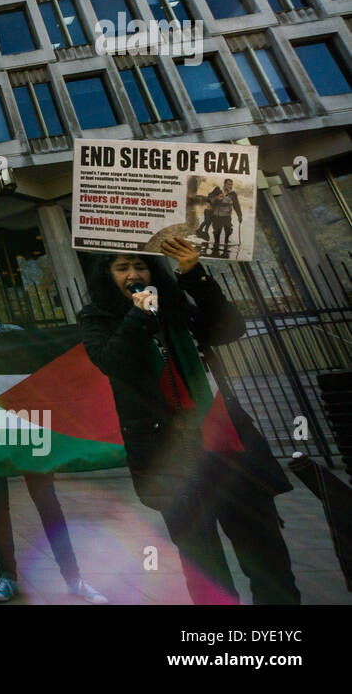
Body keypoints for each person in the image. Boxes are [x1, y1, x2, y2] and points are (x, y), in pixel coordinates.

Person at [79, 238, 300, 605]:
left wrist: (194, 275)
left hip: (229, 449)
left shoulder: (177, 307)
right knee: (205, 566)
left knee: (266, 556)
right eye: (122, 268)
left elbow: (229, 329)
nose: (134, 274)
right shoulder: (97, 318)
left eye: (141, 266)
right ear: (107, 277)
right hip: (172, 461)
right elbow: (112, 361)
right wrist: (139, 316)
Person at [0, 282, 108, 604]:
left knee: (47, 500)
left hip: (24, 429)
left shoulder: (11, 333)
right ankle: (7, 576)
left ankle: (73, 577)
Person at [208, 179, 243, 254]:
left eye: (231, 185)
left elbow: (236, 205)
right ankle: (215, 250)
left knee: (228, 231)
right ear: (224, 184)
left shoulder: (233, 194)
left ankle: (225, 249)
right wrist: (217, 198)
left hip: (227, 217)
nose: (230, 186)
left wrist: (239, 216)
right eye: (228, 184)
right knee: (217, 233)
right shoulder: (217, 190)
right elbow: (209, 198)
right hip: (217, 217)